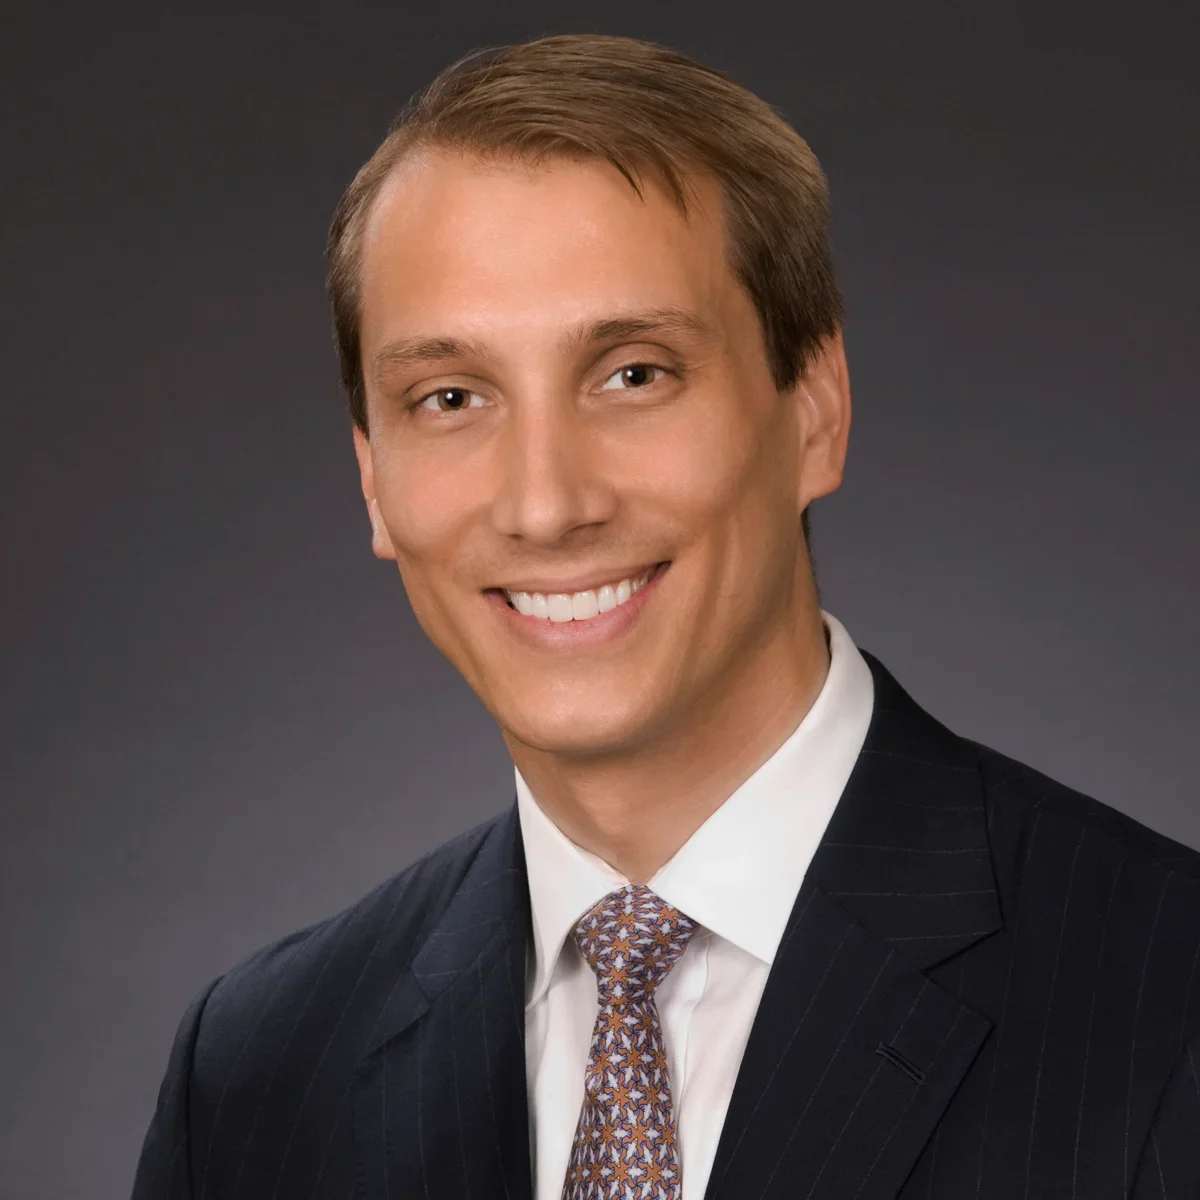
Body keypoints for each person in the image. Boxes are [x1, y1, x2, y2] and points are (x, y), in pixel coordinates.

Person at [132, 33, 1200, 1200]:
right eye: (450, 397)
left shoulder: (1166, 1000)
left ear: (815, 409)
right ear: (374, 479)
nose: (546, 504)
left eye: (633, 373)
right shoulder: (253, 1081)